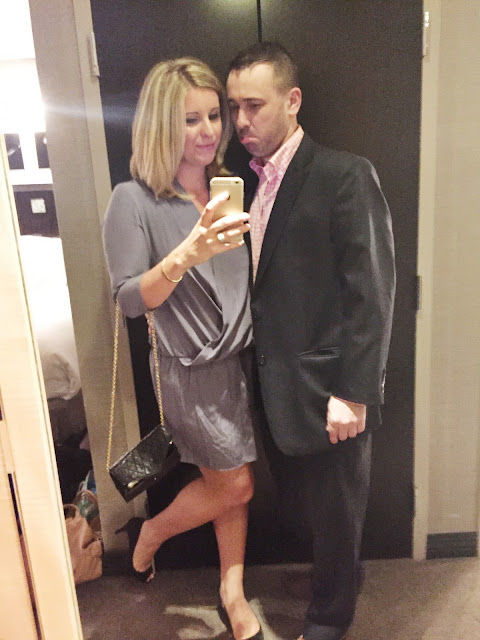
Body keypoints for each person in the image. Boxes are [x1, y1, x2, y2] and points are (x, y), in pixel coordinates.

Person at [226, 42, 396, 640]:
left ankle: (330, 617)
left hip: (330, 389)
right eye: (234, 107)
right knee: (312, 514)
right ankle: (339, 577)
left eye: (254, 105)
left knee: (336, 513)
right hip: (275, 386)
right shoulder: (247, 185)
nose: (240, 120)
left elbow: (372, 292)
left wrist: (355, 392)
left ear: (292, 100)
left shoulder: (343, 175)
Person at [102, 58, 263, 640]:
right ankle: (151, 534)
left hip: (239, 365)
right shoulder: (134, 200)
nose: (209, 130)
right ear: (160, 125)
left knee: (229, 482)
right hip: (189, 370)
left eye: (214, 115)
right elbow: (128, 299)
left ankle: (232, 591)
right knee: (236, 484)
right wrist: (184, 256)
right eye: (190, 119)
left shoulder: (230, 188)